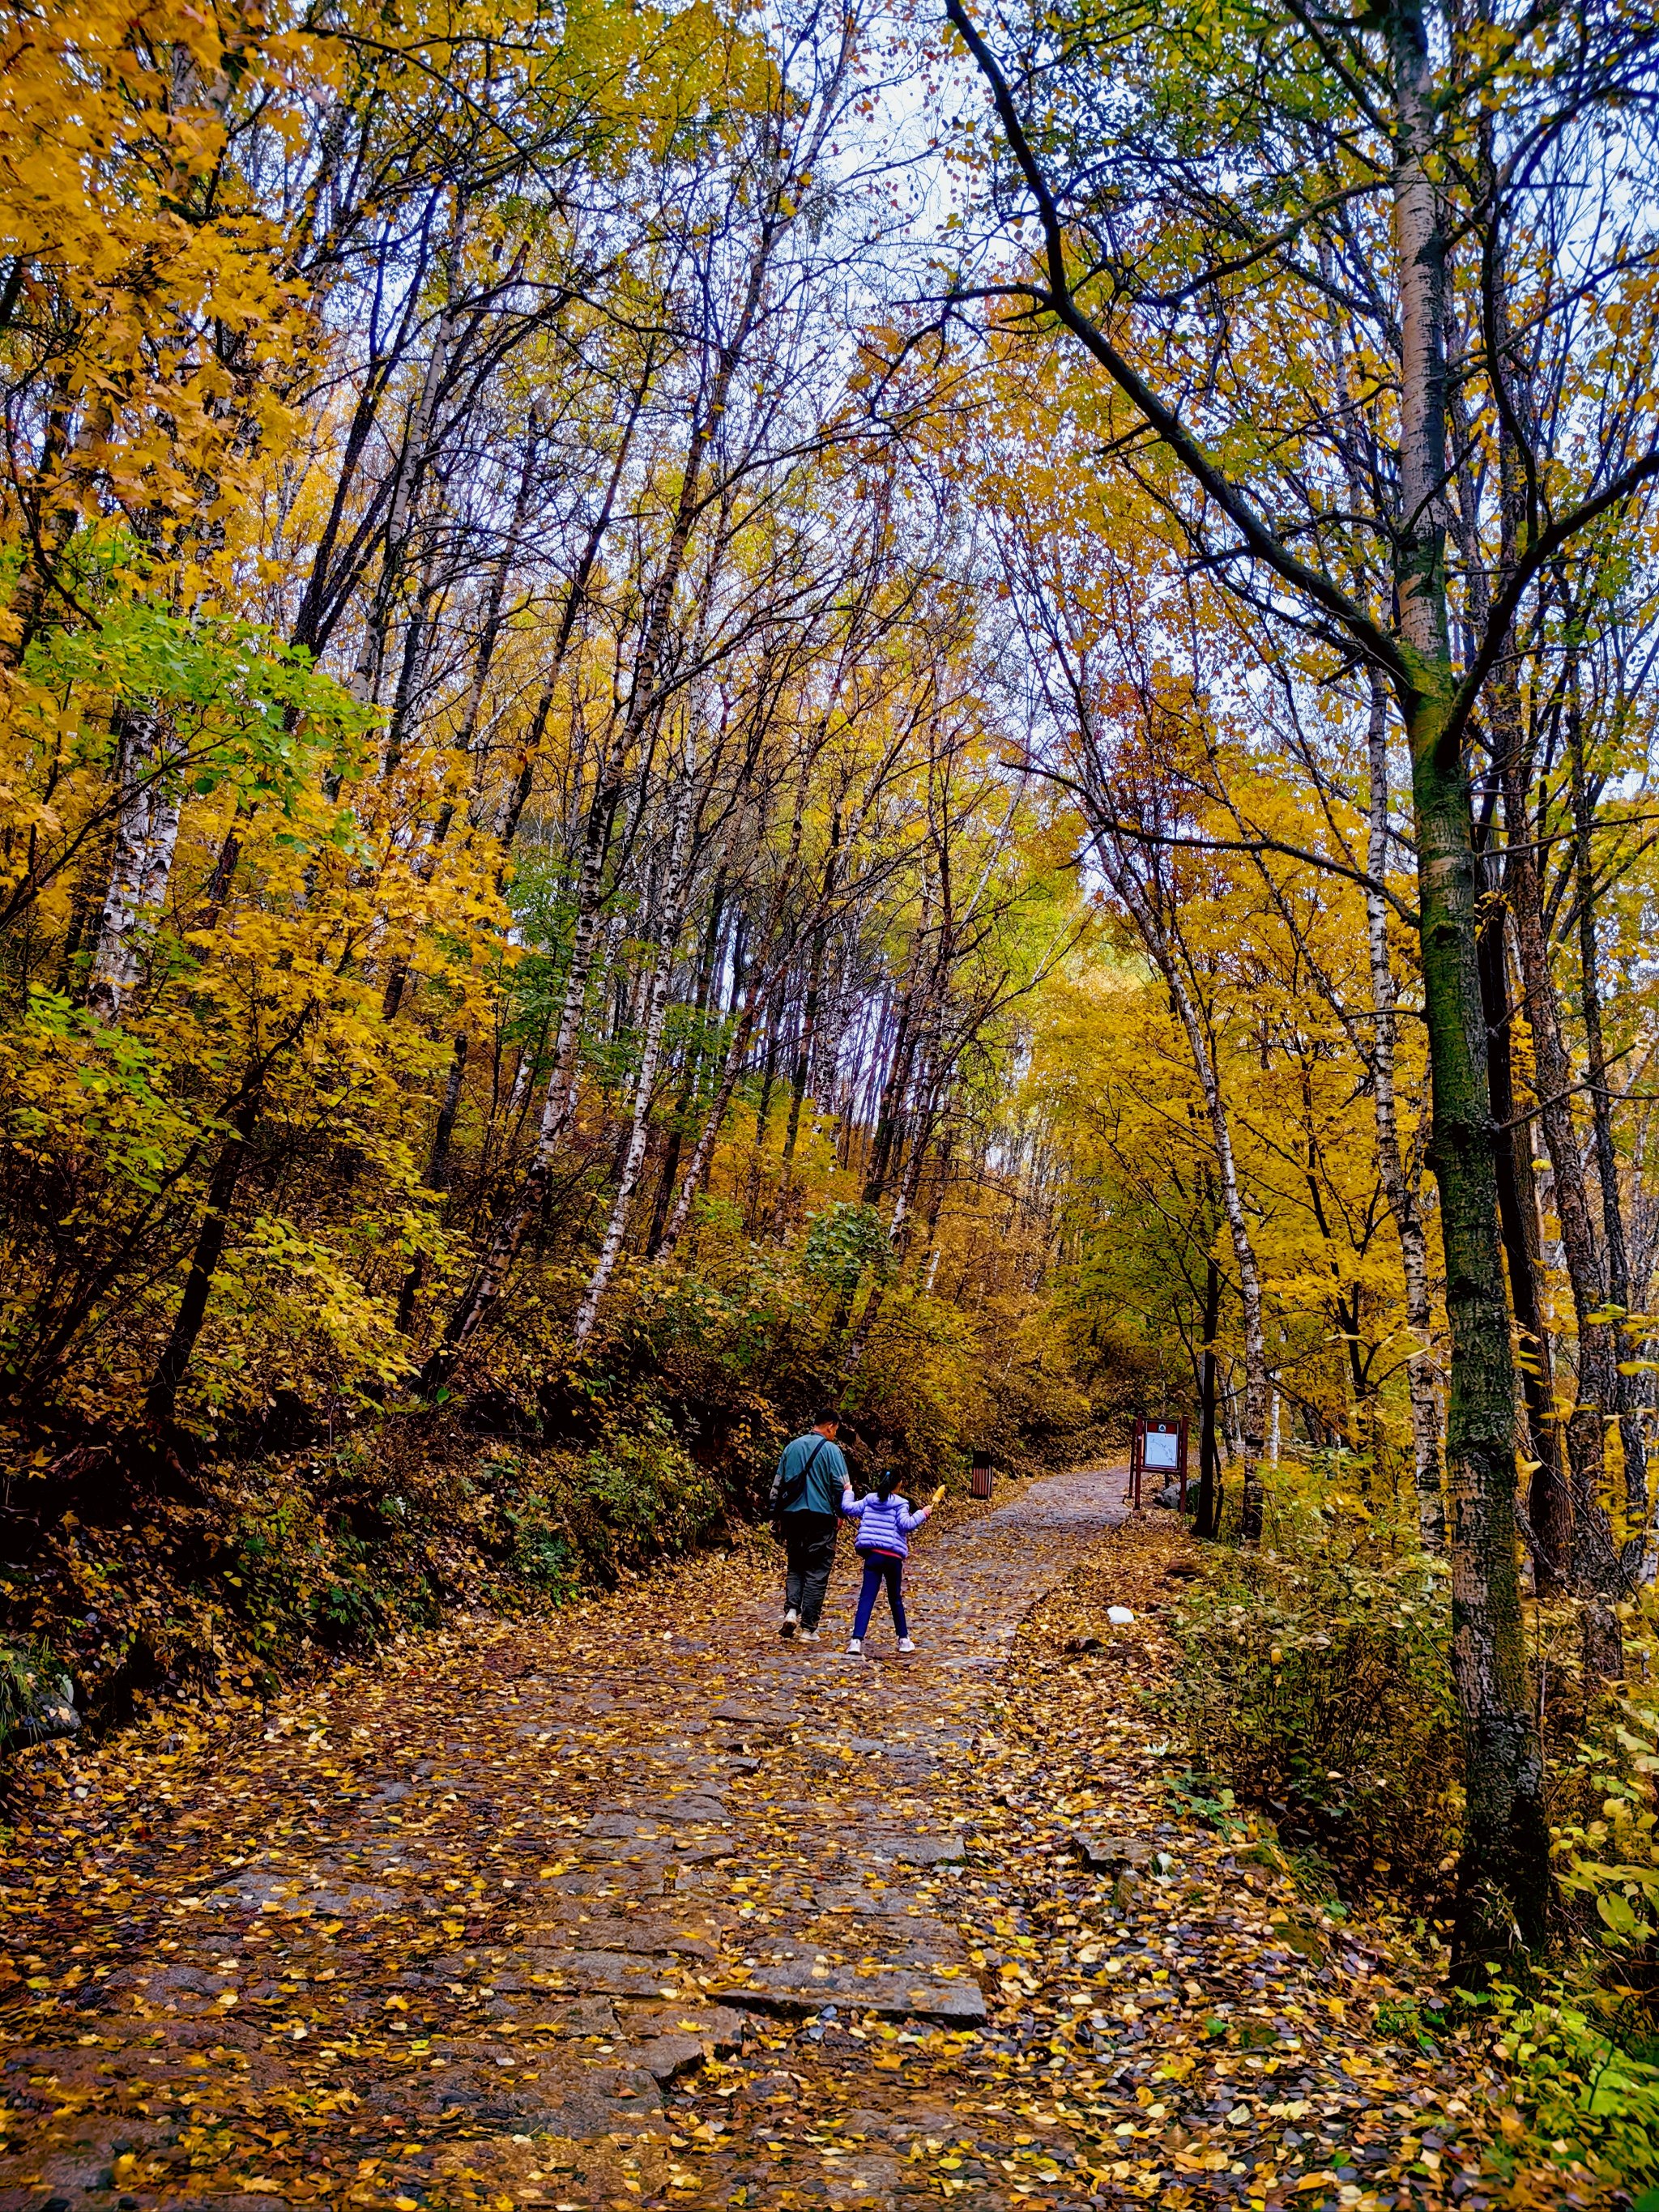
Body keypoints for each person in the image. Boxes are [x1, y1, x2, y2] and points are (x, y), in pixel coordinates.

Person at [840, 1456, 939, 1656]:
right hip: (893, 1557)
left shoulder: (869, 1499)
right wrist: (924, 1513)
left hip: (873, 1556)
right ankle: (904, 1640)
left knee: (866, 1597)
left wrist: (848, 1492)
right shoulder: (901, 1503)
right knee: (895, 1598)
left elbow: (848, 1509)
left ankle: (856, 1642)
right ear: (899, 1484)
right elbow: (906, 1525)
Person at [768, 1408, 851, 1642]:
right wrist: (841, 1513)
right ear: (831, 1426)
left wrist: (775, 1514)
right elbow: (842, 1487)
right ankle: (808, 1629)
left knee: (796, 1565)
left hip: (792, 1517)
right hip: (821, 1518)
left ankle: (791, 1612)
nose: (835, 1434)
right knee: (817, 1571)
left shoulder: (791, 1447)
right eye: (836, 1430)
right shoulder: (833, 1451)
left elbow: (778, 1483)